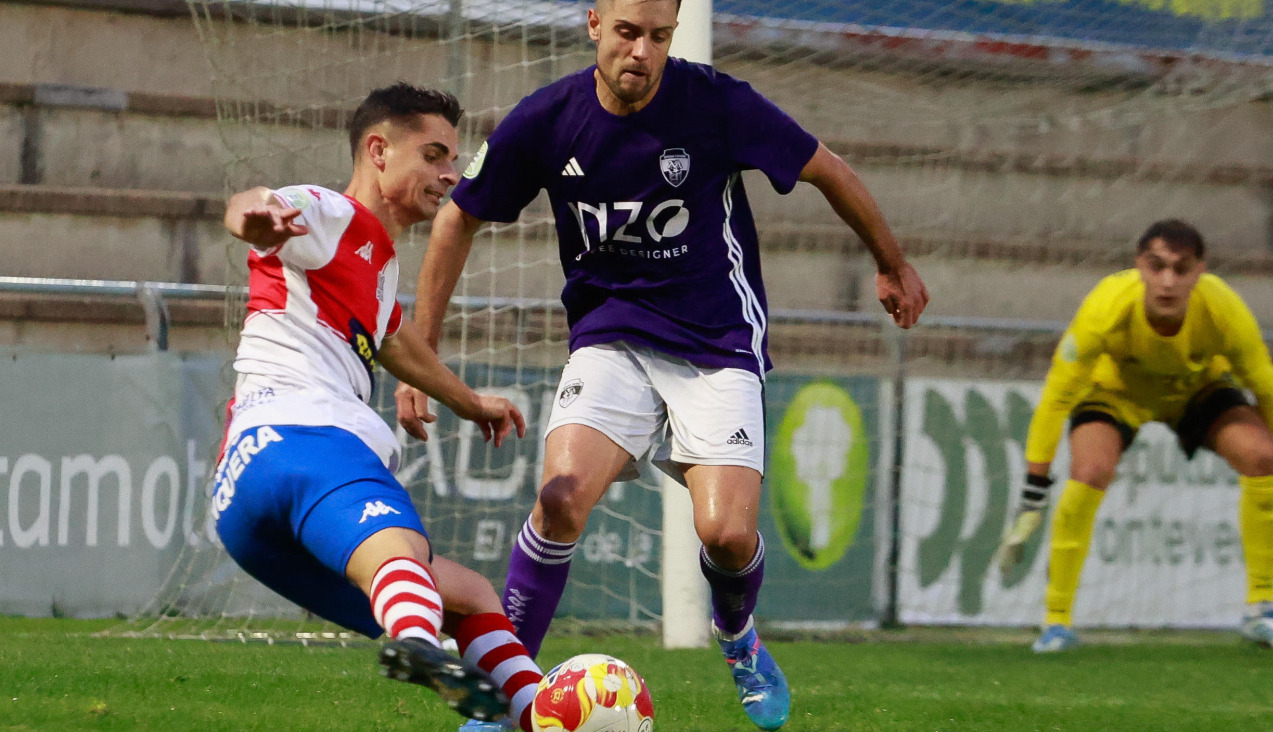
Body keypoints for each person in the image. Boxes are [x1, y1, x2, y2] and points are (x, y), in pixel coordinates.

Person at [394, 1, 928, 729]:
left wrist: (892, 265)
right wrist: (421, 356)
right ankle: (504, 691)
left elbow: (826, 169)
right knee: (558, 499)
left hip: (717, 343)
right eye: (627, 32)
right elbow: (459, 215)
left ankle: (737, 639)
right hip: (611, 339)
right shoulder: (548, 119)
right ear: (594, 25)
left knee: (727, 536)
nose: (641, 51)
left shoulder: (716, 103)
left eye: (658, 36)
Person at [214, 83, 543, 731]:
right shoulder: (334, 214)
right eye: (434, 154)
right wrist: (252, 217)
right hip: (305, 437)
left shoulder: (375, 266)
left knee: (470, 595)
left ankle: (538, 716)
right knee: (401, 550)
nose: (450, 173)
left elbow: (397, 341)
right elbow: (257, 204)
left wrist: (469, 402)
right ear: (379, 151)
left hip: (242, 500)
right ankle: (418, 645)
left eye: (454, 159)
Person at [997, 219, 1273, 653]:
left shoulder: (1223, 308)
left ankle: (1261, 608)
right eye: (1157, 266)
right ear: (1139, 266)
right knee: (1090, 471)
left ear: (1199, 270)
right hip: (1117, 393)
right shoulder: (1107, 305)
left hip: (1197, 391)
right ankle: (1056, 622)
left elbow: (1266, 385)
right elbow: (1056, 395)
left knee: (1263, 458)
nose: (1168, 281)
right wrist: (1035, 486)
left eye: (1181, 269)